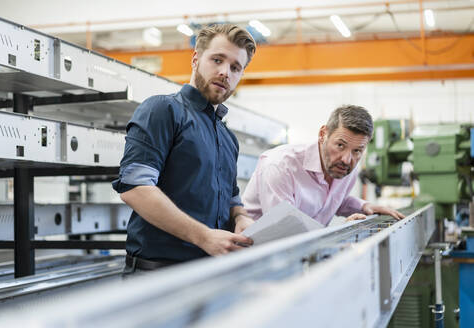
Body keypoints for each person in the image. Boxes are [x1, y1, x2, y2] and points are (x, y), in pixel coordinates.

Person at [113, 24, 256, 273]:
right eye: (217, 60)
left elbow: (232, 196)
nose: (225, 73)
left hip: (210, 273)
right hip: (157, 275)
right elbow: (135, 188)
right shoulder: (163, 110)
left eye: (235, 68)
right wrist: (204, 237)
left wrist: (241, 216)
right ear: (196, 59)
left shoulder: (227, 137)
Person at [242, 105, 405, 226]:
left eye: (357, 150)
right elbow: (284, 231)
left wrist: (364, 206)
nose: (347, 160)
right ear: (322, 134)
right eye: (340, 145)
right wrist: (340, 233)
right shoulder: (280, 166)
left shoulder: (346, 169)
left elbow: (331, 199)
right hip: (255, 257)